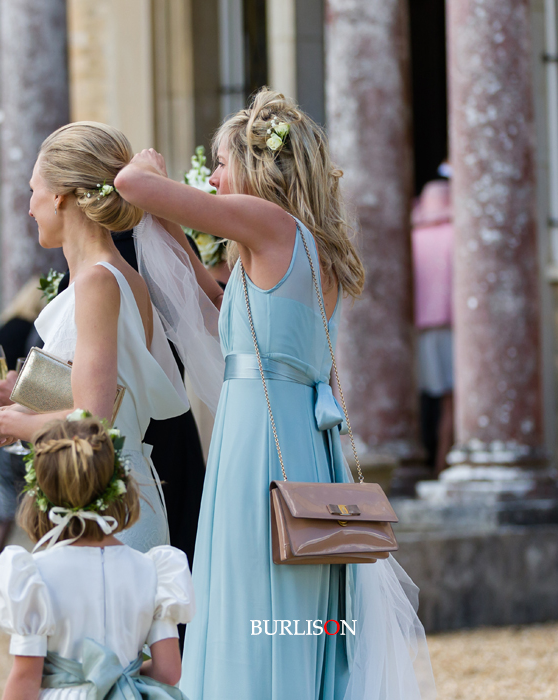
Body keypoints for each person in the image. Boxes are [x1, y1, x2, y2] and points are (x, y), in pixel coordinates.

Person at [116, 88, 434, 699]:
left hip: (261, 446)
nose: (213, 178)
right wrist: (175, 233)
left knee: (250, 600)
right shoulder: (292, 245)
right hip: (296, 440)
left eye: (221, 163)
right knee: (286, 607)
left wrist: (149, 169)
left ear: (256, 166)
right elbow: (221, 311)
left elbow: (132, 185)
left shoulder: (270, 224)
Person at [0, 122, 191, 553]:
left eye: (33, 190)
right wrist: (22, 408)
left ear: (60, 196)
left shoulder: (98, 281)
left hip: (109, 513)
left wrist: (4, 422)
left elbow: (93, 421)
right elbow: (106, 395)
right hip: (101, 499)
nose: (30, 208)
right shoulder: (112, 276)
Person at [0, 415, 194, 700]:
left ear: (42, 491)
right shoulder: (154, 571)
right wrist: (119, 681)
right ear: (119, 485)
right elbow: (169, 672)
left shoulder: (33, 575)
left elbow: (26, 677)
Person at [0, 277, 45, 576]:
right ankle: (0, 563)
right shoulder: (28, 329)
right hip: (7, 416)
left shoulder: (4, 325)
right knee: (11, 493)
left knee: (1, 496)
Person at [411, 178, 454, 476]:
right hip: (453, 327)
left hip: (422, 329)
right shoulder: (456, 233)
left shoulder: (413, 237)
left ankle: (425, 461)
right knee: (453, 401)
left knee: (425, 397)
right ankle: (442, 463)